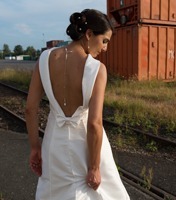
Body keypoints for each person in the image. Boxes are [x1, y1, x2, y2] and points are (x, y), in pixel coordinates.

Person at [25, 9, 130, 200]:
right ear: (89, 34)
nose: (105, 48)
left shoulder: (44, 59)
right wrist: (95, 167)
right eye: (104, 41)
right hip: (85, 147)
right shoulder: (97, 69)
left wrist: (34, 148)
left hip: (53, 143)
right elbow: (94, 123)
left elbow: (30, 109)